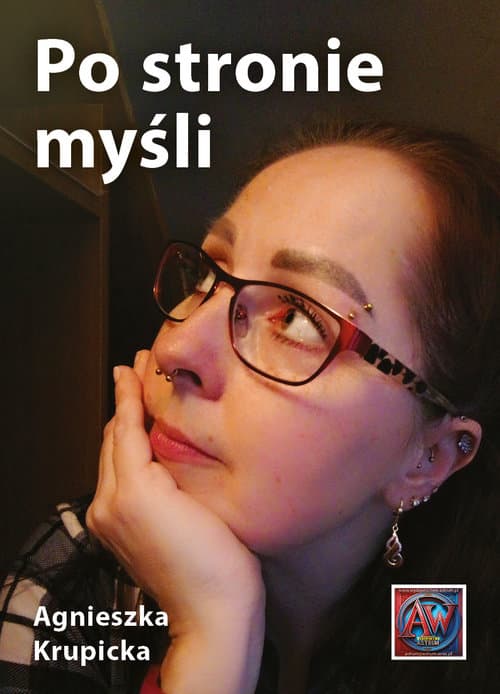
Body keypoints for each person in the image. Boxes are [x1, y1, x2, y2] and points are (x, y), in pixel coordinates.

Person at [1, 119, 499, 694]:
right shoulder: (76, 581)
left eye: (296, 318)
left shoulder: (447, 630)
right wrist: (213, 633)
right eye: (205, 278)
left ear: (428, 456)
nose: (174, 349)